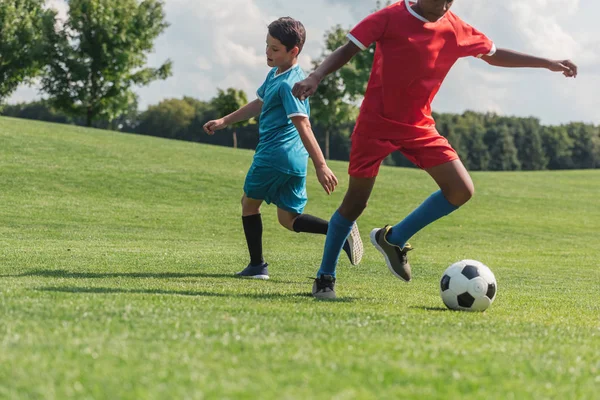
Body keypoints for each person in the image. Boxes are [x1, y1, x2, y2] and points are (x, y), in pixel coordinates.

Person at [292, 0, 577, 298]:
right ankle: (325, 277)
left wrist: (546, 62)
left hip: (419, 127)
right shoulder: (390, 16)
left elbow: (494, 55)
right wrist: (316, 76)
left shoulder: (455, 28)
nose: (443, 5)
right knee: (355, 204)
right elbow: (347, 49)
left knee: (461, 189)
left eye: (449, 0)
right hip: (375, 125)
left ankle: (394, 238)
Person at [203, 17, 364, 280]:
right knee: (288, 219)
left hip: (273, 156)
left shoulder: (293, 84)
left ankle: (257, 267)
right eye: (267, 46)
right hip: (293, 161)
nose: (268, 52)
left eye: (275, 49)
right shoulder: (276, 74)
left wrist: (322, 165)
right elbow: (260, 103)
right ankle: (340, 229)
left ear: (294, 51)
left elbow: (304, 125)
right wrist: (225, 120)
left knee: (248, 205)